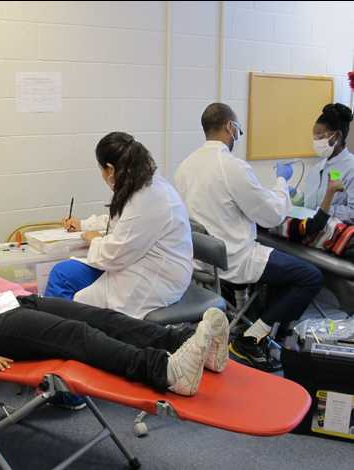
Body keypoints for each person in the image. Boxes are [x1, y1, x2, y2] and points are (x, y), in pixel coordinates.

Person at [0, 272, 230, 397]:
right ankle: (166, 371)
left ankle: (182, 342)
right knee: (77, 334)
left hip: (24, 301)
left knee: (101, 317)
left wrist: (27, 291)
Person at [174, 103, 323, 372]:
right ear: (230, 127)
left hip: (205, 263)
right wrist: (282, 183)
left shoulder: (185, 166)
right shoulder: (232, 167)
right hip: (235, 260)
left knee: (284, 268)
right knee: (310, 276)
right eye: (238, 130)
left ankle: (267, 333)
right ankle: (251, 339)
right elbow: (272, 215)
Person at [44, 131, 193, 319]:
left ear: (110, 169)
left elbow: (114, 255)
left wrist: (94, 240)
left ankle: (63, 334)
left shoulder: (148, 198)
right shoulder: (140, 187)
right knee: (63, 272)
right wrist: (83, 224)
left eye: (101, 170)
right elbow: (121, 221)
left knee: (76, 293)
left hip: (155, 279)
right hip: (134, 263)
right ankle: (59, 329)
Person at [291, 103, 354, 224]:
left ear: (337, 136)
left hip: (334, 238)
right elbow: (310, 203)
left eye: (320, 137)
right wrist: (298, 198)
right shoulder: (317, 168)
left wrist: (324, 210)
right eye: (314, 137)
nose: (316, 142)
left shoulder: (351, 168)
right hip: (310, 232)